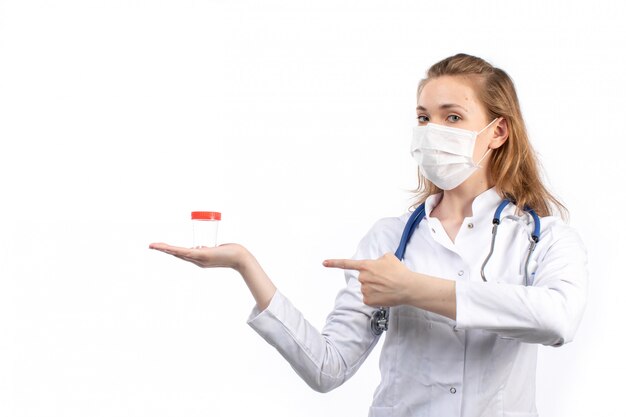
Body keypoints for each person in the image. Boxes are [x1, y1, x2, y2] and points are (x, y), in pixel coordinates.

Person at [149, 53, 588, 417]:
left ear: (498, 131)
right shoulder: (389, 240)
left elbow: (557, 320)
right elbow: (327, 368)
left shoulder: (544, 238)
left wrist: (412, 289)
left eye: (452, 117)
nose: (432, 131)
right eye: (423, 117)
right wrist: (246, 264)